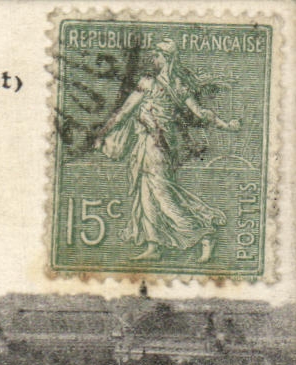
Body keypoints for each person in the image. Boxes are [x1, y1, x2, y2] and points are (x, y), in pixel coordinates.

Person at [96, 38, 241, 262]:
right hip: (146, 145)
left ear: (167, 59)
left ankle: (204, 234)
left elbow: (124, 112)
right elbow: (201, 113)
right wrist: (226, 125)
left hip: (157, 146)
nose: (154, 59)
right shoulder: (175, 85)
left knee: (163, 195)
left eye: (157, 55)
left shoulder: (153, 83)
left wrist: (103, 133)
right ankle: (154, 245)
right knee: (146, 194)